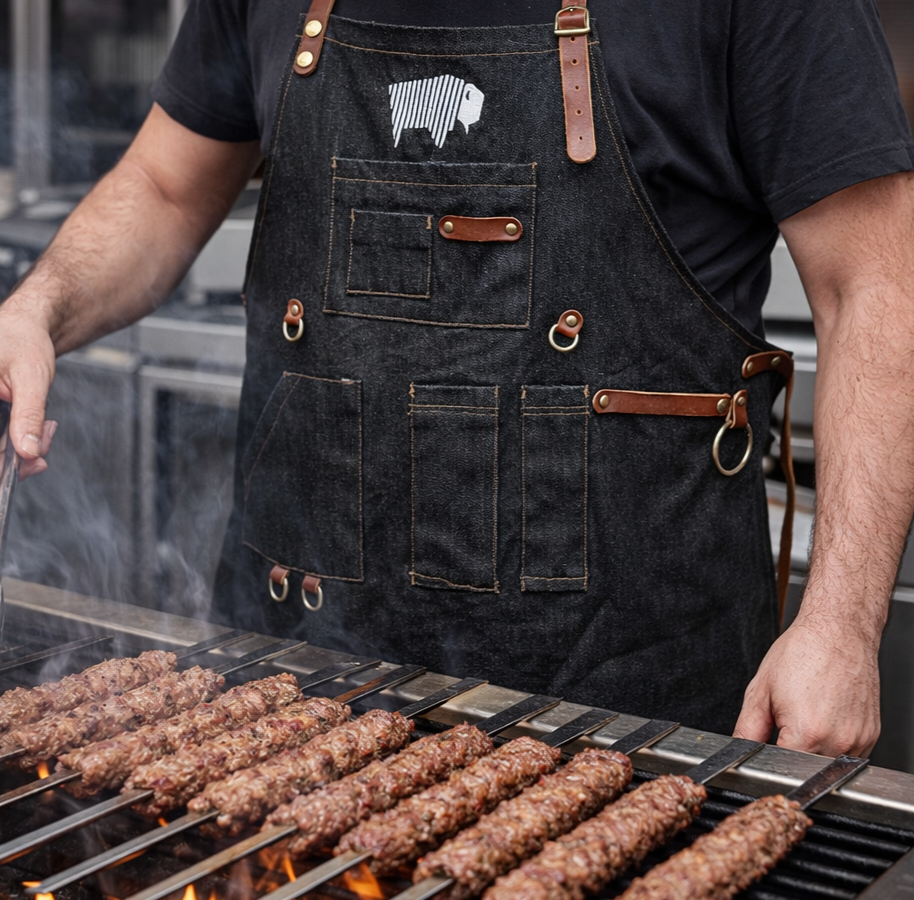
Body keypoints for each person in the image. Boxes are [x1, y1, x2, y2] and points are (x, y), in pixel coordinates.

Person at [1, 0, 912, 754]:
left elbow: (875, 283)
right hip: (289, 696)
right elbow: (164, 186)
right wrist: (35, 309)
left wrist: (840, 626)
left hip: (633, 715)